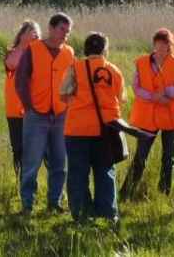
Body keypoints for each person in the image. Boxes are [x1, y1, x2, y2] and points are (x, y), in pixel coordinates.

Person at [60, 32, 125, 226]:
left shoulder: (74, 68)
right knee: (105, 171)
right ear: (105, 50)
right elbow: (121, 97)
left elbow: (63, 94)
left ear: (85, 49)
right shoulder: (113, 70)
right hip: (106, 129)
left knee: (78, 173)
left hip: (77, 129)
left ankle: (81, 212)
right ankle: (107, 213)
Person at [15, 12, 75, 215]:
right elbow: (20, 80)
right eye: (62, 30)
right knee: (31, 163)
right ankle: (27, 205)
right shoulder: (33, 49)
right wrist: (29, 106)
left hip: (61, 115)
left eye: (68, 31)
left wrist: (69, 105)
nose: (65, 35)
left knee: (60, 162)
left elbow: (73, 82)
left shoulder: (69, 52)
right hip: (36, 115)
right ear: (50, 28)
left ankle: (54, 202)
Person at [120, 28, 174, 200]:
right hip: (148, 117)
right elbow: (136, 88)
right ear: (154, 45)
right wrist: (154, 97)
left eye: (164, 45)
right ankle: (126, 193)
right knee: (140, 157)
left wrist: (167, 92)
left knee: (168, 158)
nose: (160, 49)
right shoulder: (142, 62)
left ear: (170, 46)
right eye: (157, 45)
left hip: (170, 117)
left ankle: (164, 193)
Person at [4, 20, 41, 179]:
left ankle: (30, 180)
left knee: (33, 147)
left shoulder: (39, 52)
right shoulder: (13, 52)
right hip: (14, 107)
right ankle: (21, 179)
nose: (36, 35)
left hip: (33, 107)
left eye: (37, 32)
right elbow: (12, 64)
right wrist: (26, 47)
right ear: (23, 34)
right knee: (18, 147)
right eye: (32, 31)